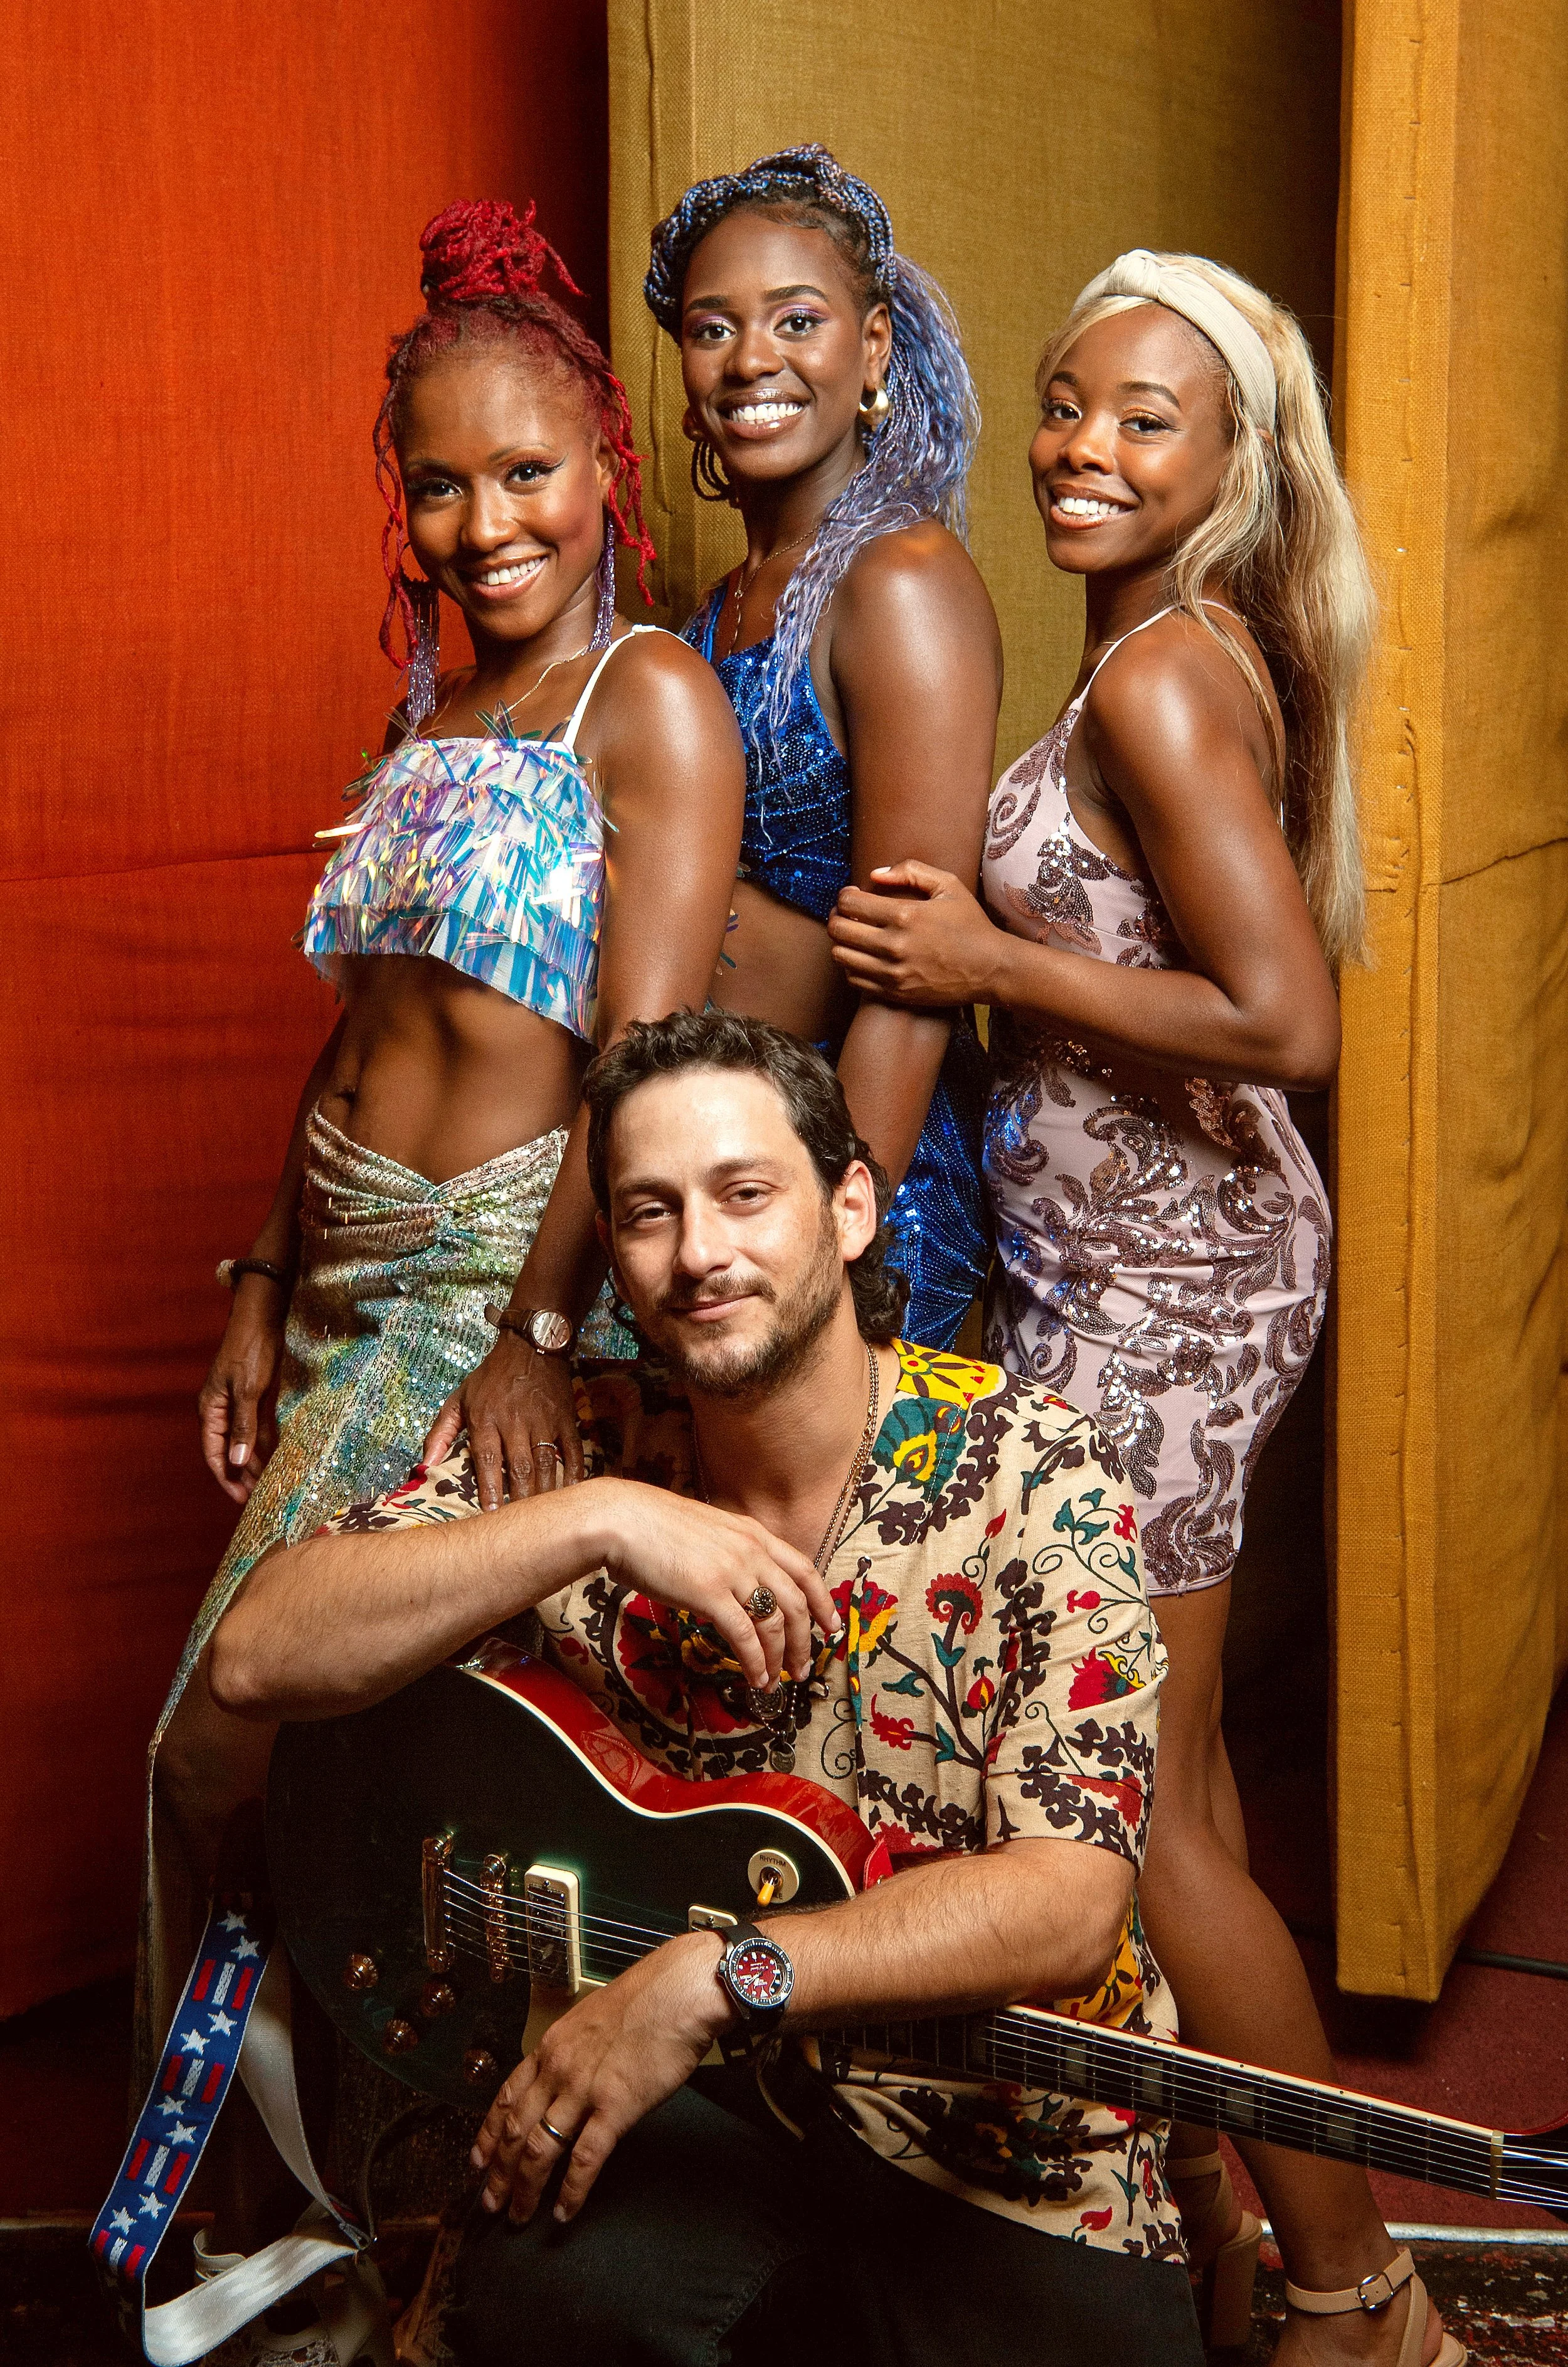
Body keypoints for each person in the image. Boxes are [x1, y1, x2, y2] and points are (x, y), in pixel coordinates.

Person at [209, 1013, 1203, 2367]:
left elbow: (1068, 1898)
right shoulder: (584, 1449)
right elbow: (257, 1651)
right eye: (648, 1213)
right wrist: (597, 1518)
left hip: (998, 2140)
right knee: (534, 2315)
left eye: (745, 1194)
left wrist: (711, 1980)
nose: (700, 1255)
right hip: (690, 2121)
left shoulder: (1033, 1472)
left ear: (848, 1206)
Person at [827, 253, 1462, 2365]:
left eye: (1147, 419)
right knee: (1174, 1781)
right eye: (1065, 401)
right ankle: (1217, 2229)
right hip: (1107, 1275)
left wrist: (996, 971)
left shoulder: (1171, 676)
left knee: (1144, 1813)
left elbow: (1286, 1021)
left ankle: (1357, 2296)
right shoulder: (1154, 652)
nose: (1086, 447)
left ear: (1231, 464)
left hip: (1176, 1295)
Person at [145, 197, 744, 2333]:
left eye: (527, 474)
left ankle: (359, 2215)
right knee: (325, 1783)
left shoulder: (644, 705)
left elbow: (642, 1049)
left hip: (477, 1279)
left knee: (237, 1731)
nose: (484, 522)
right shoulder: (432, 702)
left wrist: (539, 1329)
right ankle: (313, 2214)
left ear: (607, 474)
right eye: (440, 481)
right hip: (329, 1276)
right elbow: (366, 1019)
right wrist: (246, 1260)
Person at [632, 144, 1001, 1354]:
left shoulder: (900, 581)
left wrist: (847, 1238)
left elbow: (914, 970)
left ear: (876, 347)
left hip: (863, 1192)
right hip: (730, 1185)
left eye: (799, 320)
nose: (752, 362)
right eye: (712, 328)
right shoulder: (717, 608)